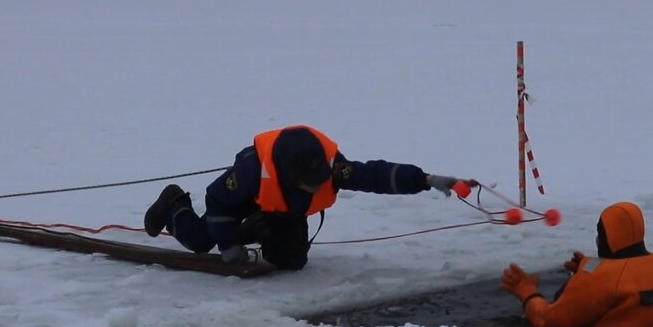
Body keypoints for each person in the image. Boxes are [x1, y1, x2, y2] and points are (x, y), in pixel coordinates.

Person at [143, 125, 467, 270]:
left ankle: (259, 228)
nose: (319, 185)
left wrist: (425, 180)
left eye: (321, 179)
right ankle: (174, 204)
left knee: (291, 262)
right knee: (201, 240)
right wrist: (227, 246)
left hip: (283, 209)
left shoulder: (331, 167)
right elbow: (217, 203)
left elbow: (374, 175)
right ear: (290, 173)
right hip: (245, 199)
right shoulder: (250, 172)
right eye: (311, 182)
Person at [499, 201, 653, 327]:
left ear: (608, 235)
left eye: (600, 233)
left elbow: (548, 320)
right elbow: (625, 274)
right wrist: (586, 266)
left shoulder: (603, 276)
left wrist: (526, 292)